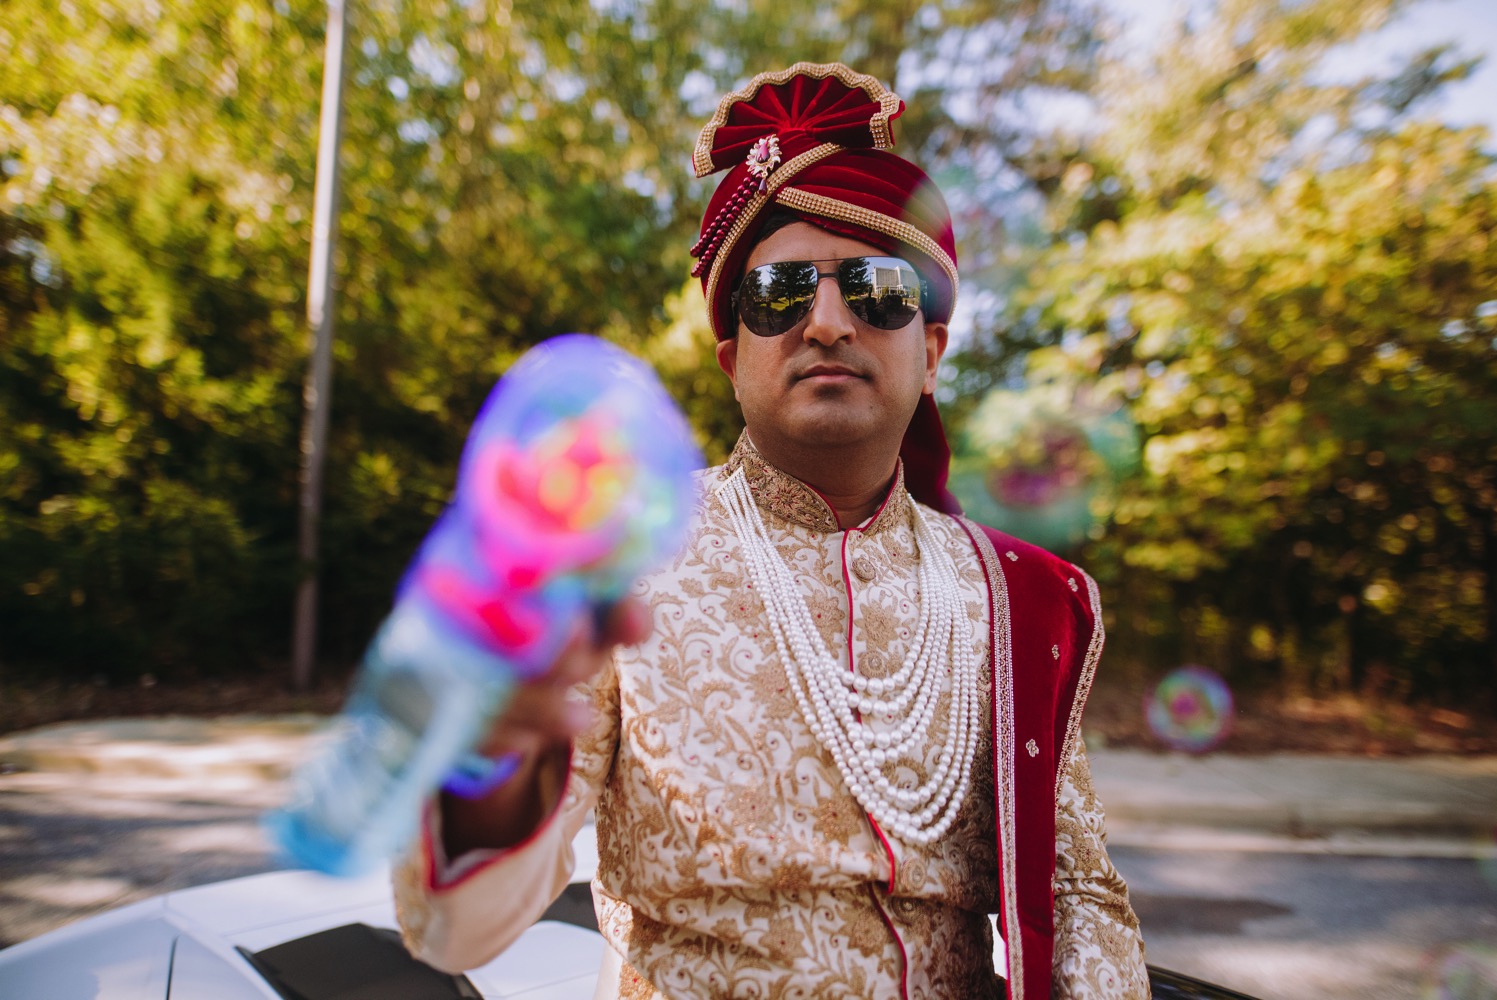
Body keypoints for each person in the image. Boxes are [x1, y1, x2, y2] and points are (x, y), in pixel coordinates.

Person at [394, 62, 1148, 999]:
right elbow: (453, 927)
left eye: (877, 290)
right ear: (731, 357)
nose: (827, 323)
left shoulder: (1015, 598)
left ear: (932, 353)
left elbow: (1079, 897)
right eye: (780, 294)